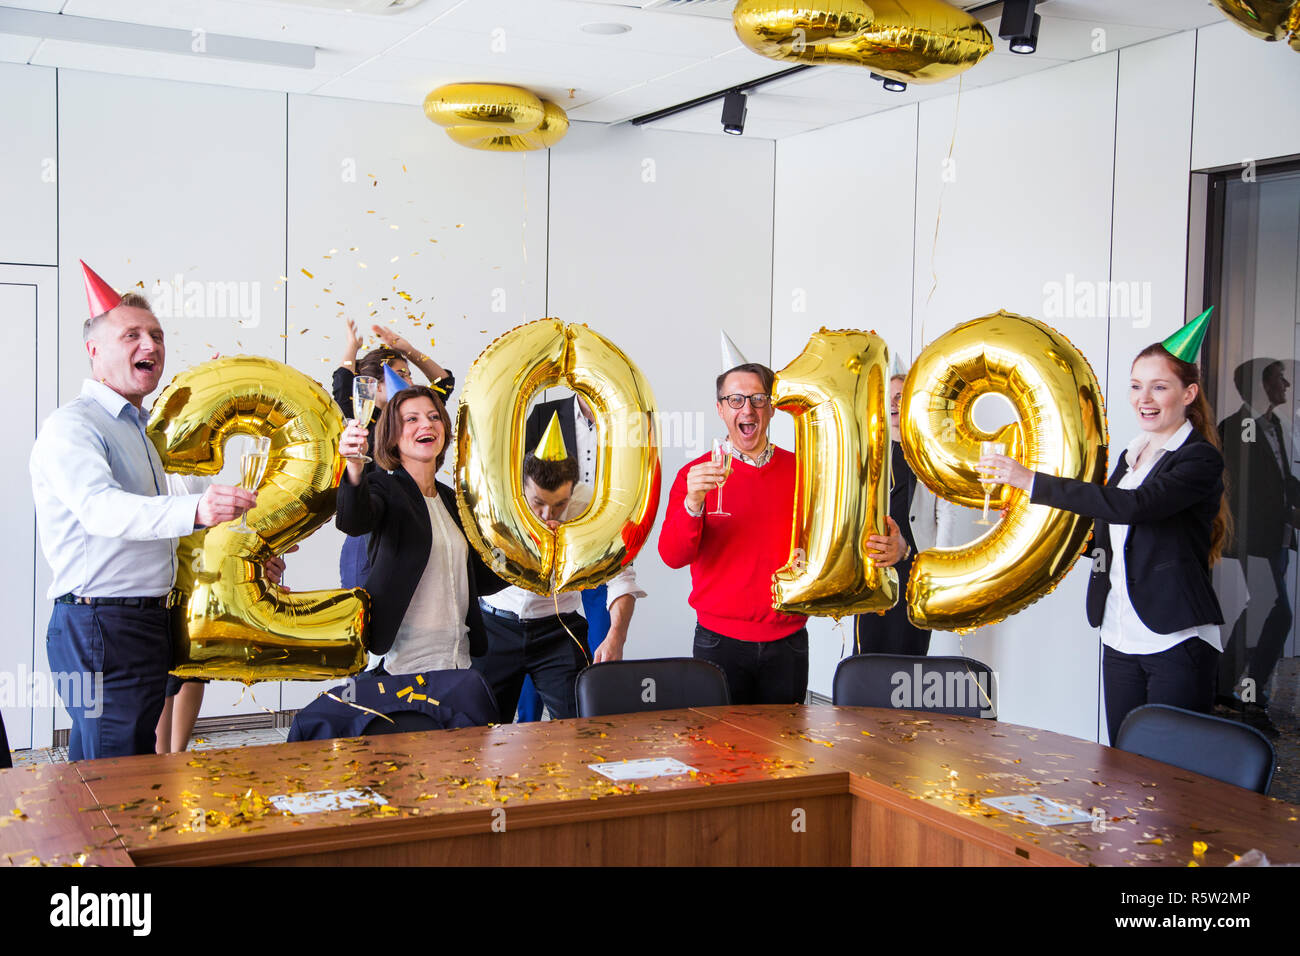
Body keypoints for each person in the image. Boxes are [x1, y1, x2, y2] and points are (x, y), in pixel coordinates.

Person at [30, 262, 257, 761]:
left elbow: (171, 510)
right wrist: (198, 509)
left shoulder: (141, 429)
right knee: (114, 773)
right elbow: (102, 511)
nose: (149, 345)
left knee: (121, 765)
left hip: (144, 623)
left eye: (155, 334)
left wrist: (243, 548)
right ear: (94, 351)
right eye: (131, 335)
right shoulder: (73, 426)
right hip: (100, 627)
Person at [981, 311, 1229, 745]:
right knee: (1125, 764)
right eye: (1136, 386)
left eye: (1159, 386)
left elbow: (1135, 507)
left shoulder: (1199, 458)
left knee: (1174, 777)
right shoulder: (1134, 454)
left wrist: (1031, 480)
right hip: (1119, 632)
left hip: (1175, 639)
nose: (1144, 398)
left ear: (1188, 393)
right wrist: (1033, 516)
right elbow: (1108, 532)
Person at [659, 353, 907, 705]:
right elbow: (672, 556)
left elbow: (845, 539)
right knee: (716, 753)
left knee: (785, 754)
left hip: (788, 642)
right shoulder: (695, 475)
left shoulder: (804, 471)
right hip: (718, 642)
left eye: (759, 399)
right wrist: (693, 502)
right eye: (736, 400)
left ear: (772, 408)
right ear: (720, 410)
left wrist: (896, 549)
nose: (748, 410)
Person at [474, 419, 645, 722]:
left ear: (573, 492)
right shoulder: (495, 499)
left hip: (558, 627)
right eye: (538, 503)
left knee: (581, 727)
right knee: (479, 729)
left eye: (559, 505)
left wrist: (616, 636)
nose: (547, 515)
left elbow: (622, 577)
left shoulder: (592, 507)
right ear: (519, 486)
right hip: (494, 627)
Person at [335, 385, 504, 676]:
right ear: (392, 436)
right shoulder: (384, 487)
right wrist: (353, 465)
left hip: (457, 661)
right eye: (411, 419)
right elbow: (354, 521)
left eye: (433, 416)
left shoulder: (455, 501)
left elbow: (481, 578)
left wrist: (522, 553)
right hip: (402, 665)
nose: (426, 424)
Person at [334, 318, 454, 589]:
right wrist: (352, 347)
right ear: (373, 385)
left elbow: (442, 382)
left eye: (409, 374)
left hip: (413, 523)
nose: (410, 380)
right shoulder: (361, 416)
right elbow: (343, 381)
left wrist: (407, 349)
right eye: (402, 373)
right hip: (367, 523)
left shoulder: (417, 421)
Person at [1218, 357, 1298, 736]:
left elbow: (1281, 481)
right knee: (1277, 614)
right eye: (1279, 378)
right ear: (1260, 386)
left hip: (1275, 538)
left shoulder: (1274, 426)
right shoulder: (1236, 428)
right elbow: (1241, 493)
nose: (1286, 385)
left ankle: (1220, 687)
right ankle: (1253, 700)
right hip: (1256, 540)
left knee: (1263, 611)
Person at [514, 393, 607, 720]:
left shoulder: (625, 419)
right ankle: (527, 724)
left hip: (593, 548)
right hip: (543, 555)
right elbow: (527, 470)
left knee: (595, 660)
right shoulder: (544, 412)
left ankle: (590, 716)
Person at [854, 371, 958, 656]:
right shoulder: (869, 452)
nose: (894, 403)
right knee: (868, 655)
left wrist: (938, 570)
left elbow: (945, 513)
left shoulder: (931, 452)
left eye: (900, 396)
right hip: (875, 570)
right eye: (888, 398)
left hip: (915, 570)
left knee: (909, 656)